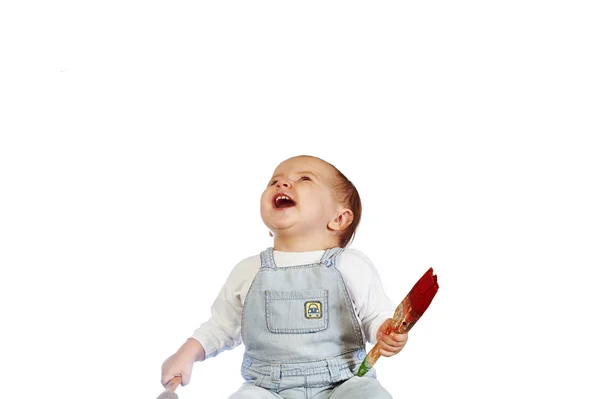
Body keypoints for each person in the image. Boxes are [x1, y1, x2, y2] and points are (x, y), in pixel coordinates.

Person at [161, 155, 408, 398]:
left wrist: (384, 331)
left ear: (338, 218)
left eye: (304, 178)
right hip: (266, 388)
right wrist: (187, 354)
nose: (281, 184)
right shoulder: (249, 270)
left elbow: (375, 315)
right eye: (273, 181)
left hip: (345, 382)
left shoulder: (350, 265)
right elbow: (222, 326)